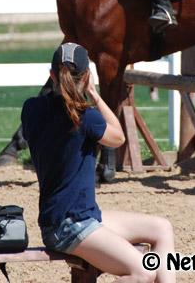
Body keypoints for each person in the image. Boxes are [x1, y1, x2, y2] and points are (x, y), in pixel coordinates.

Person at [22, 43, 176, 283]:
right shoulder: (87, 118)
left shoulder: (31, 109)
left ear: (52, 75)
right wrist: (95, 95)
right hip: (72, 226)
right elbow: (119, 137)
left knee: (161, 228)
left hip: (70, 219)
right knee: (143, 272)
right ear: (87, 77)